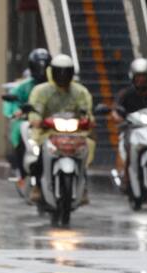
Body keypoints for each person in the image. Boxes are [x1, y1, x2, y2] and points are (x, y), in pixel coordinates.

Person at [27, 54, 95, 203]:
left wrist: (88, 121)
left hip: (75, 133)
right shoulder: (41, 91)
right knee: (38, 153)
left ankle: (83, 188)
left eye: (66, 72)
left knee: (84, 151)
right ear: (52, 71)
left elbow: (86, 111)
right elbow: (35, 109)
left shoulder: (80, 92)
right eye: (59, 72)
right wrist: (37, 120)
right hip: (47, 133)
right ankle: (37, 186)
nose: (63, 76)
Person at [111, 57, 147, 185]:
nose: (141, 79)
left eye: (144, 76)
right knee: (126, 146)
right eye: (138, 76)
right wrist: (118, 117)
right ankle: (125, 174)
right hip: (131, 129)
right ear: (133, 77)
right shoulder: (125, 94)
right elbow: (115, 110)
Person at [3, 48, 51, 183]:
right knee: (20, 130)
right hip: (29, 121)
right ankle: (22, 170)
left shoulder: (56, 87)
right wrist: (16, 112)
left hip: (49, 123)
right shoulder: (24, 86)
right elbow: (12, 103)